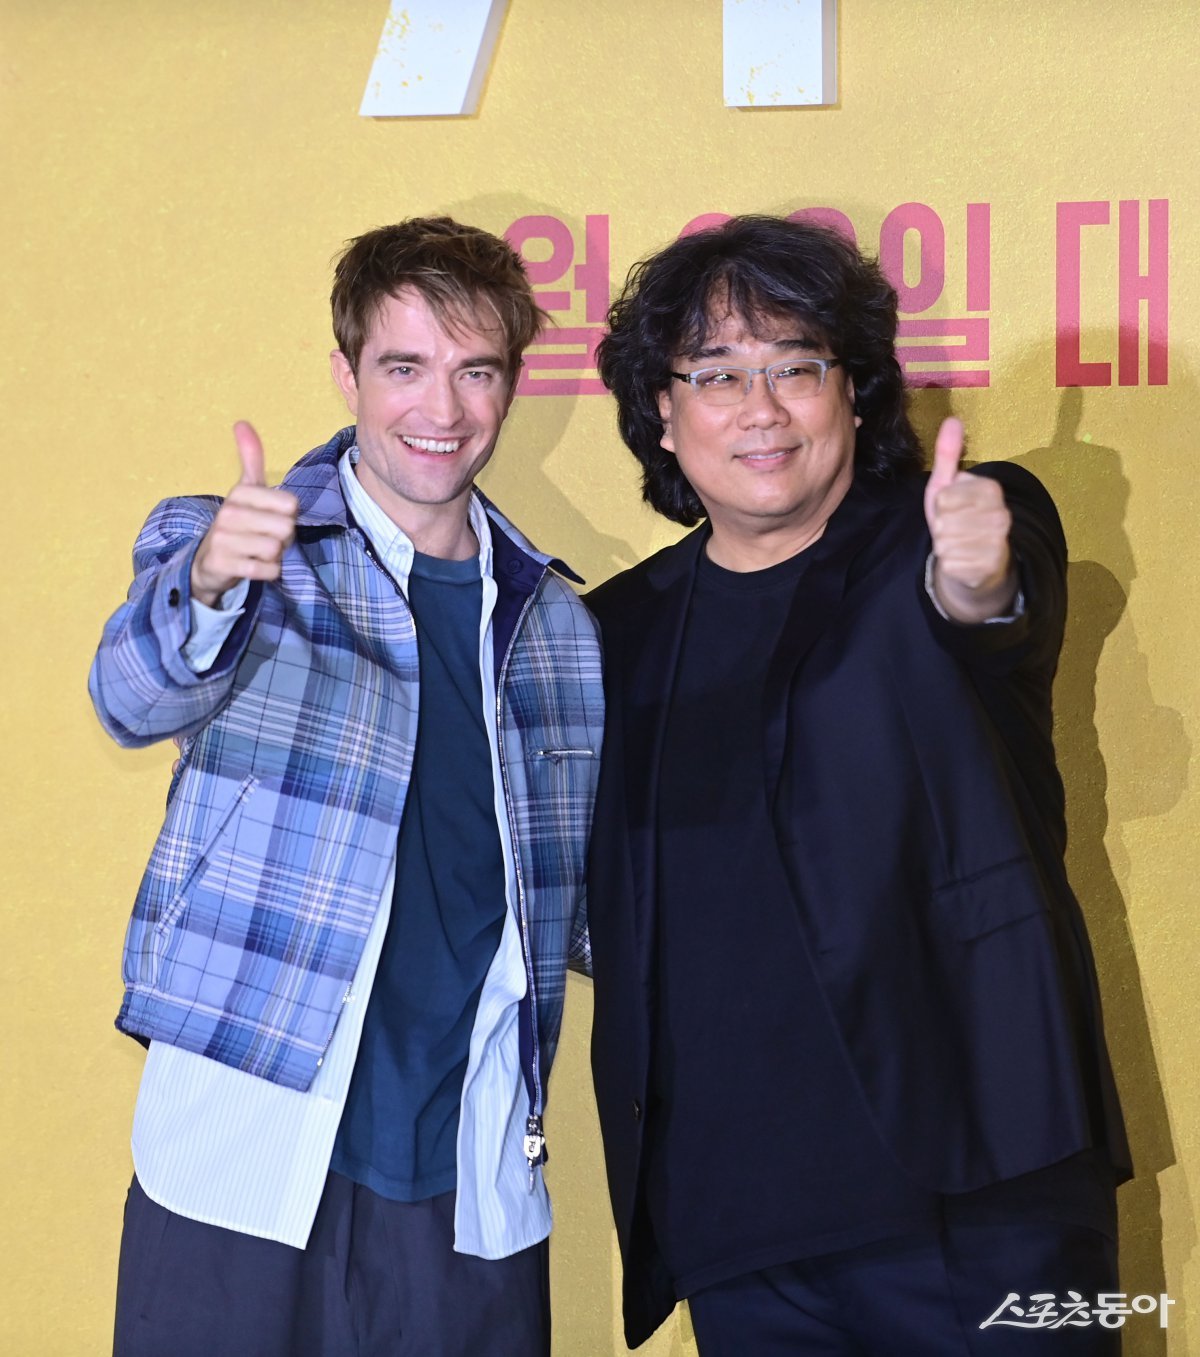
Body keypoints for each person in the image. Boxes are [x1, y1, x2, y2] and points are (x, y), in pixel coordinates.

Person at [586, 215, 1130, 1355]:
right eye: (719, 375)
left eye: (797, 367)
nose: (762, 408)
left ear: (857, 394)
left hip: (991, 1196)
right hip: (739, 1226)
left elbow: (988, 606)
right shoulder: (612, 631)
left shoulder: (947, 534)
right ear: (663, 415)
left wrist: (977, 574)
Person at [88, 216, 603, 1357]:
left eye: (476, 372)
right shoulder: (245, 551)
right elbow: (130, 695)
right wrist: (215, 578)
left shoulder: (557, 625)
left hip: (463, 1169)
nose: (443, 410)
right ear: (347, 374)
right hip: (245, 1149)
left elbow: (586, 915)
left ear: (512, 385)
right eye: (405, 367)